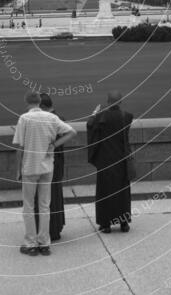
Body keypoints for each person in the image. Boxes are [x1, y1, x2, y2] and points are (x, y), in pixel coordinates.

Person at [12, 91, 76, 256]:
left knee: (28, 207)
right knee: (44, 206)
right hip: (47, 167)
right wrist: (54, 145)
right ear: (40, 102)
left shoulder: (24, 119)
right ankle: (44, 243)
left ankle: (31, 243)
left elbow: (19, 147)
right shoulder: (52, 118)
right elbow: (72, 132)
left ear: (27, 101)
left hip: (30, 168)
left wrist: (17, 169)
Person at [87, 90, 133, 233]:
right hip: (121, 160)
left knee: (105, 192)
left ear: (107, 102)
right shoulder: (127, 117)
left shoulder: (100, 117)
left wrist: (94, 114)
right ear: (120, 101)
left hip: (105, 161)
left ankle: (105, 224)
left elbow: (90, 127)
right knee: (122, 193)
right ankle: (124, 223)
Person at [34, 93, 66, 241]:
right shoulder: (60, 119)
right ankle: (56, 228)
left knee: (45, 198)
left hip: (47, 164)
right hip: (57, 164)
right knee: (55, 195)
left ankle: (48, 230)